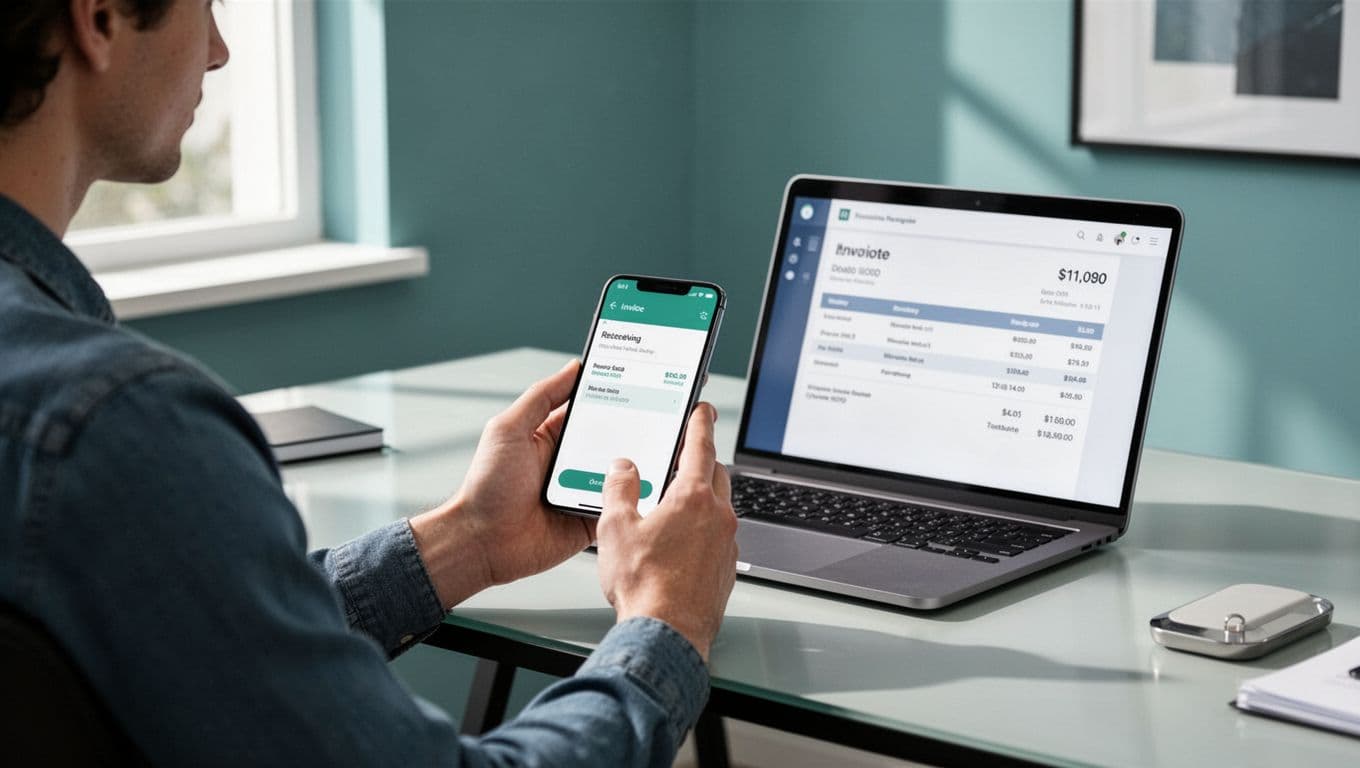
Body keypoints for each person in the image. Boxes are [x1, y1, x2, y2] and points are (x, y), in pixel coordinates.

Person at [0, 1, 738, 765]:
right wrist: (667, 623)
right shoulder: (117, 425)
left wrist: (469, 538)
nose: (218, 53)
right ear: (101, 18)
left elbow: (196, 635)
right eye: (207, 8)